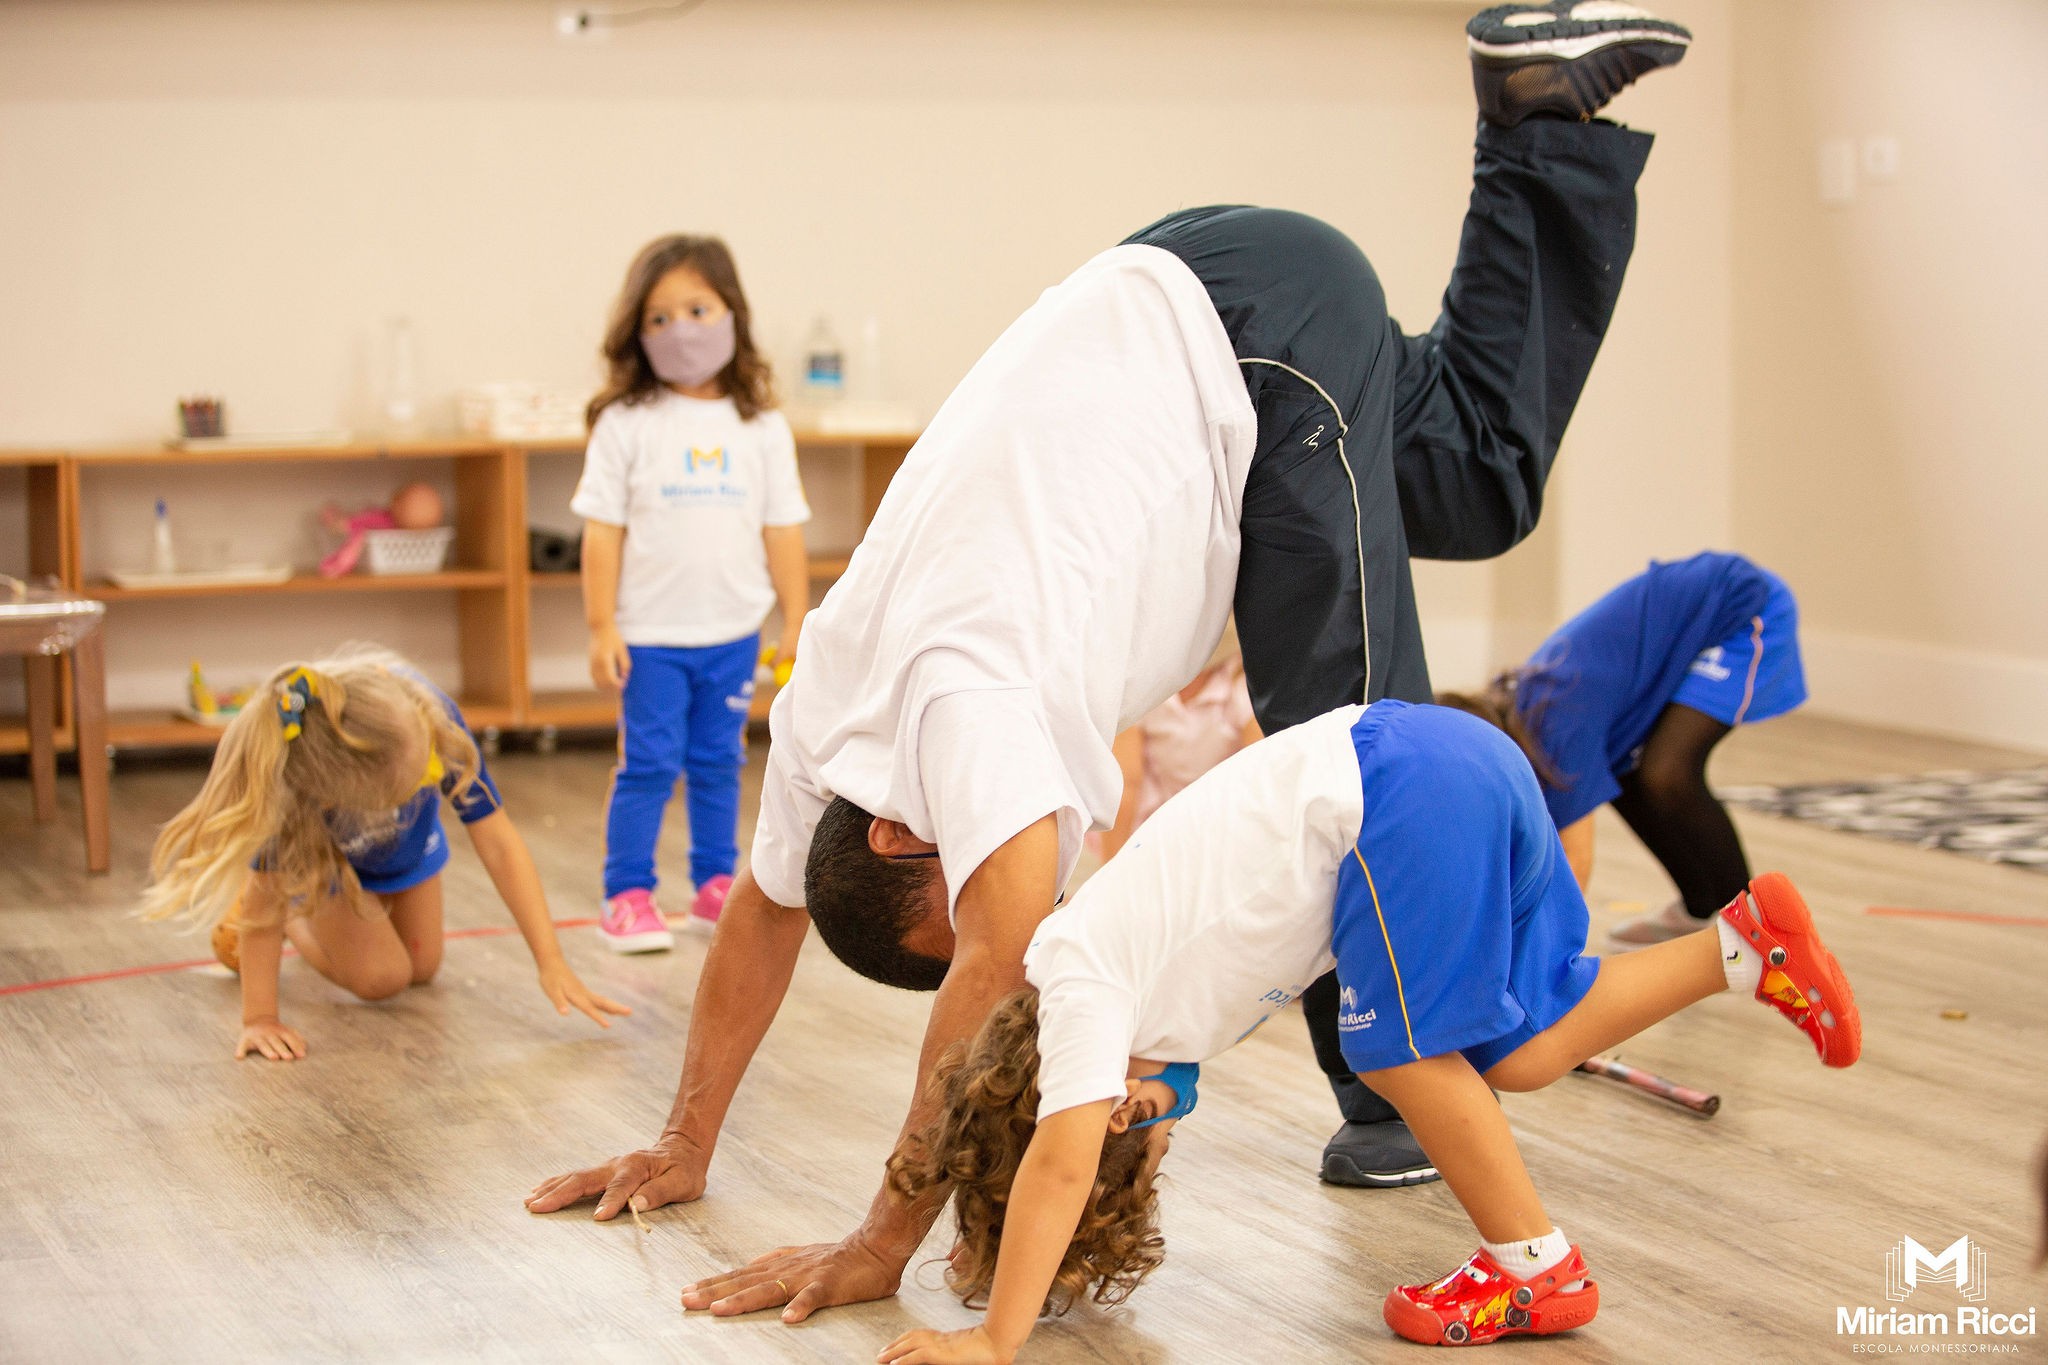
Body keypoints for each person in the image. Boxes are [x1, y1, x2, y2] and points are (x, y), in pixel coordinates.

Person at [525, 0, 1691, 1318]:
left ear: (910, 837)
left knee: (1349, 731)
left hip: (1244, 343)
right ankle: (1541, 116)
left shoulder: (972, 712)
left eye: (974, 900)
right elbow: (761, 912)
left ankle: (1395, 1098)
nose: (1022, 922)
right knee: (1479, 482)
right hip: (1212, 295)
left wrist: (880, 1236)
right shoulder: (827, 728)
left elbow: (990, 967)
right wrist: (687, 1143)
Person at [873, 700, 1860, 1361]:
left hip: (1391, 792)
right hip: (1444, 765)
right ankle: (1741, 947)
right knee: (1516, 1051)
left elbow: (1059, 1157)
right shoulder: (1141, 1009)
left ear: (1050, 1090)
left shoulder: (1079, 969)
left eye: (1121, 1138)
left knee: (1391, 1055)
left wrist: (992, 1342)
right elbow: (1163, 1093)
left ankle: (1533, 1270)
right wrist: (1136, 1116)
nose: (1145, 1133)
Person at [142, 647, 627, 1061]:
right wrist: (260, 1018)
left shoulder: (427, 713)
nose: (430, 778)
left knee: (421, 969)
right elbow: (263, 903)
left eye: (428, 769)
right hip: (328, 863)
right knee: (383, 978)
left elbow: (498, 843)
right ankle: (301, 913)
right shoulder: (296, 780)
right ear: (343, 799)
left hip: (404, 848)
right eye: (419, 780)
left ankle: (351, 913)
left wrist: (551, 960)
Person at [574, 234, 812, 952]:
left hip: (733, 633)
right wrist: (599, 627)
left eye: (698, 309)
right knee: (646, 765)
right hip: (650, 636)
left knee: (718, 762)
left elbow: (783, 529)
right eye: (659, 317)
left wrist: (797, 618)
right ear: (636, 333)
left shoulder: (761, 427)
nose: (680, 328)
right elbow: (601, 533)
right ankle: (627, 894)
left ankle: (715, 885)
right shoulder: (625, 425)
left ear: (732, 314)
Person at [1438, 551, 1806, 945]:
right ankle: (1699, 910)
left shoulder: (1557, 736)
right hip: (1689, 612)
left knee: (1668, 774)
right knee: (1620, 773)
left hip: (1742, 604)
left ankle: (1762, 931)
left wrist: (1537, 967)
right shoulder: (1517, 717)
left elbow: (1575, 867)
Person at [1094, 628, 1259, 864]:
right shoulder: (1144, 687)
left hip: (1219, 817)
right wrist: (1109, 869)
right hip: (1156, 815)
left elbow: (1258, 771)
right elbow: (1126, 782)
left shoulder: (1237, 685)